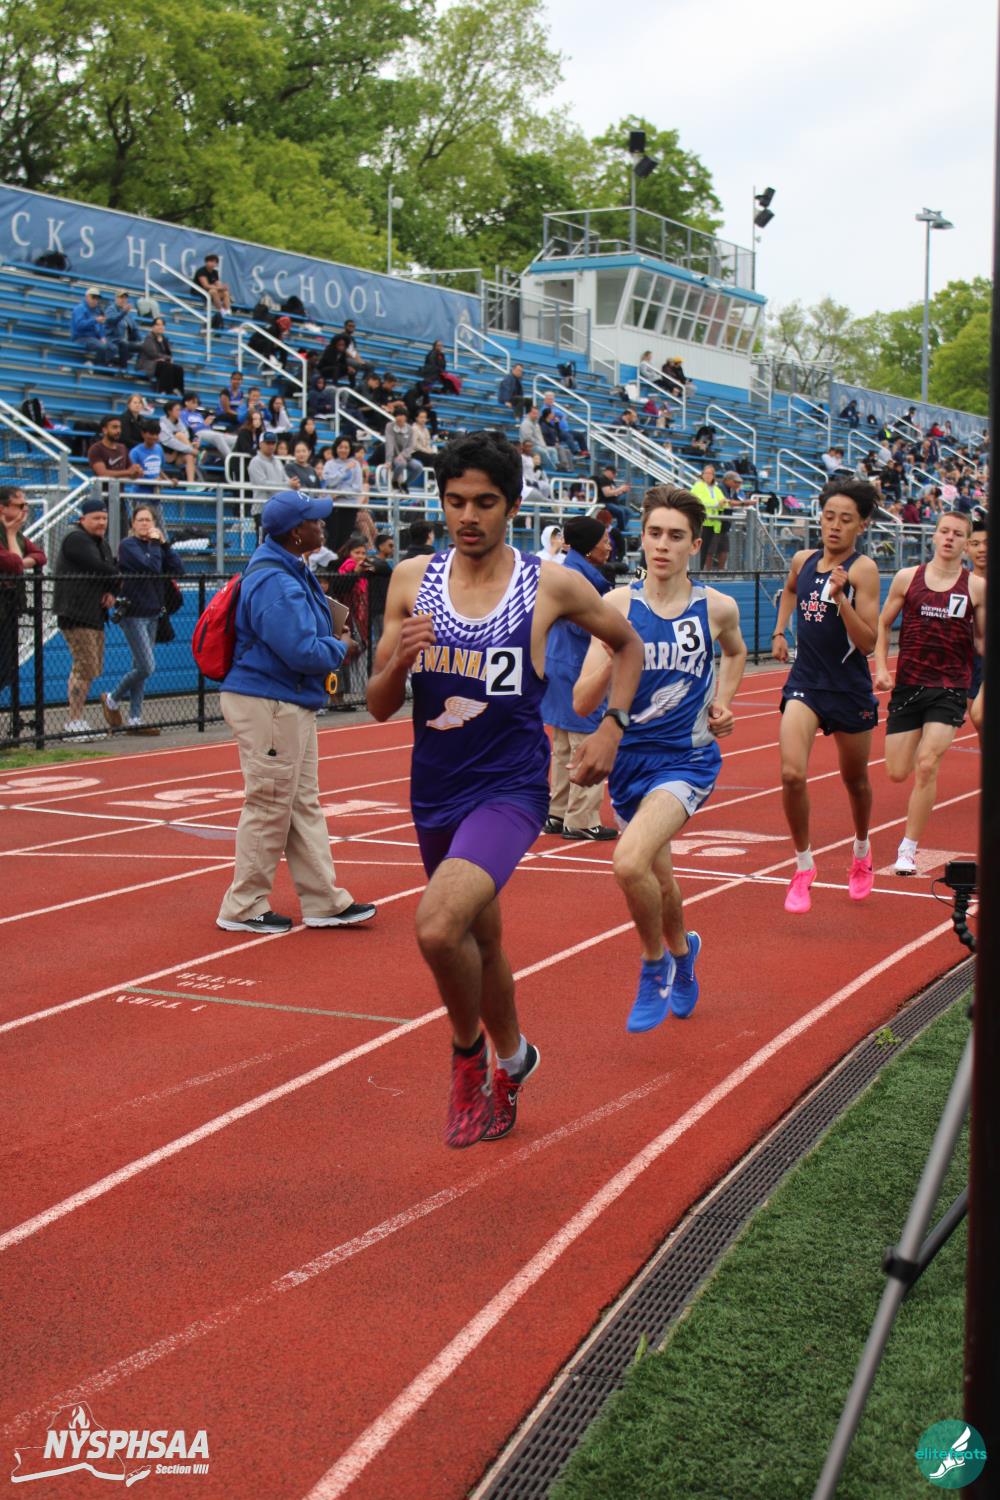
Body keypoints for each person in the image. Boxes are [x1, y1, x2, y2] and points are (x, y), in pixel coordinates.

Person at [367, 431, 642, 1147]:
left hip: (511, 788)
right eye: (455, 501)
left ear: (513, 507)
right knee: (479, 940)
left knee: (437, 926)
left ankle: (467, 1059)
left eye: (485, 502)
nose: (468, 516)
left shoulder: (549, 584)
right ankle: (515, 1058)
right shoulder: (410, 579)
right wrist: (397, 664)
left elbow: (628, 644)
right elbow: (376, 703)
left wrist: (611, 728)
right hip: (435, 789)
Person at [574, 485, 747, 1032]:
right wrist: (614, 653)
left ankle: (654, 967)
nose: (662, 545)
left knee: (628, 862)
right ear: (642, 539)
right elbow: (581, 701)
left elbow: (736, 651)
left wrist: (724, 700)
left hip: (686, 761)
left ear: (694, 545)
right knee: (660, 879)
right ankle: (683, 952)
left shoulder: (716, 607)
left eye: (675, 536)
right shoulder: (615, 607)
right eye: (654, 534)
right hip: (628, 764)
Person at [216, 490, 376, 933]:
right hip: (270, 701)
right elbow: (301, 650)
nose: (322, 526)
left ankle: (323, 900)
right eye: (314, 521)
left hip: (285, 700)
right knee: (269, 803)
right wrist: (339, 646)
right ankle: (242, 905)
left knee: (301, 803)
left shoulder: (288, 567)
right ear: (294, 532)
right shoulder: (276, 580)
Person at [770, 479, 881, 913]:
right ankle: (803, 865)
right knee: (791, 774)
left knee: (855, 780)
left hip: (848, 688)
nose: (834, 526)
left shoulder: (863, 570)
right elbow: (791, 589)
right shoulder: (803, 559)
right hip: (806, 682)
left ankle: (862, 850)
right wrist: (780, 631)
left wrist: (841, 599)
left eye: (845, 519)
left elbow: (868, 643)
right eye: (829, 516)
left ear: (862, 525)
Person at [875, 511, 985, 875]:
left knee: (927, 764)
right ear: (934, 536)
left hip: (950, 687)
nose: (950, 538)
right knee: (896, 771)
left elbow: (982, 642)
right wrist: (881, 668)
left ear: (966, 544)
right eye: (944, 531)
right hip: (909, 684)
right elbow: (883, 623)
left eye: (958, 534)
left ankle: (907, 849)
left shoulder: (976, 587)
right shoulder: (907, 578)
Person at [541, 515, 618, 842]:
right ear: (589, 547)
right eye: (604, 541)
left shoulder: (566, 571)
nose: (609, 546)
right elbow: (583, 625)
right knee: (585, 745)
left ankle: (558, 813)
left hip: (557, 662)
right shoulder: (580, 580)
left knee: (562, 747)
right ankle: (582, 819)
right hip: (577, 666)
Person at [102, 506, 184, 735]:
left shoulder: (157, 547)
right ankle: (112, 698)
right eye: (140, 520)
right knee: (147, 666)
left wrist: (165, 545)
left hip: (153, 613)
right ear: (133, 524)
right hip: (134, 613)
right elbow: (151, 567)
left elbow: (178, 569)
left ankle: (135, 718)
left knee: (139, 666)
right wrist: (156, 545)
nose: (145, 524)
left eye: (149, 520)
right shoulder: (129, 545)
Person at [52, 498, 121, 738]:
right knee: (83, 666)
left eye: (104, 518)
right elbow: (99, 567)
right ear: (83, 519)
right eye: (96, 518)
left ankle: (77, 719)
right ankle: (73, 721)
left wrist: (112, 590)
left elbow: (110, 570)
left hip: (94, 614)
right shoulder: (76, 539)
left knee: (91, 667)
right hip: (75, 612)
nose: (101, 522)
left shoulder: (102, 543)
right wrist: (117, 575)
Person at [0, 486, 46, 700]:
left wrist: (22, 561)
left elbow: (40, 555)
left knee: (7, 667)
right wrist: (10, 535)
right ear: (2, 508)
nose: (25, 510)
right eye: (19, 505)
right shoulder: (10, 533)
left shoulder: (16, 534)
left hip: (9, 607)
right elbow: (11, 562)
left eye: (26, 505)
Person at [966, 516, 987, 738]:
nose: (982, 549)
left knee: (980, 715)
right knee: (979, 723)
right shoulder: (961, 584)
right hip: (970, 662)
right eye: (975, 544)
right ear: (966, 548)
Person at [690, 463, 727, 570]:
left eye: (710, 473)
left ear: (713, 475)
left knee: (706, 550)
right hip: (702, 522)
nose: (708, 475)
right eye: (706, 473)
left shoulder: (716, 488)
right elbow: (699, 501)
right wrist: (717, 504)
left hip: (713, 524)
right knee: (700, 549)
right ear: (702, 474)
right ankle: (696, 571)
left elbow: (724, 503)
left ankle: (700, 571)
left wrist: (720, 504)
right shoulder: (697, 486)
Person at [88, 415, 144, 483]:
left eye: (120, 427)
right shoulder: (96, 449)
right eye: (114, 427)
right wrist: (128, 472)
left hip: (120, 490)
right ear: (105, 430)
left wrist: (137, 472)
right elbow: (102, 473)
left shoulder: (122, 448)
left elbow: (130, 470)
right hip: (102, 490)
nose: (118, 431)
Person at [137, 317, 185, 395]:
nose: (161, 327)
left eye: (162, 325)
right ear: (153, 327)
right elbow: (153, 354)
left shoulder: (164, 339)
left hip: (160, 364)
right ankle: (164, 391)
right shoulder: (149, 338)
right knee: (166, 365)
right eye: (158, 325)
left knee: (179, 368)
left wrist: (165, 358)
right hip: (149, 364)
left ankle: (178, 390)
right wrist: (165, 358)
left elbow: (169, 354)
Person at [70, 287, 115, 365]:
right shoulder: (80, 308)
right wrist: (95, 320)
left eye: (97, 298)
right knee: (102, 347)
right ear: (87, 297)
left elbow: (100, 327)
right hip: (81, 337)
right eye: (93, 297)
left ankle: (94, 364)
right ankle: (96, 367)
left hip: (93, 338)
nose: (95, 300)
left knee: (113, 348)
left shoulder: (97, 311)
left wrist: (102, 337)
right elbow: (79, 325)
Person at [384, 408, 424, 492]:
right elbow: (389, 443)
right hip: (394, 456)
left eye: (402, 415)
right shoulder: (389, 426)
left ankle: (405, 484)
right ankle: (394, 481)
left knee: (418, 467)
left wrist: (402, 455)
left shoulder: (410, 429)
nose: (399, 417)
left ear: (406, 417)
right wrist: (388, 460)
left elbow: (410, 446)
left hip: (406, 457)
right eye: (397, 415)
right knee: (402, 464)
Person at [103, 291, 145, 369]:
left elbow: (135, 329)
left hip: (125, 343)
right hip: (114, 340)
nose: (123, 300)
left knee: (144, 346)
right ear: (116, 298)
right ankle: (123, 368)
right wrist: (123, 312)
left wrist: (142, 341)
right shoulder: (110, 309)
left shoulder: (128, 315)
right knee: (123, 343)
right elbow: (113, 320)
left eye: (125, 298)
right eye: (121, 297)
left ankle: (138, 369)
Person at [193, 253, 232, 326]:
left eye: (215, 262)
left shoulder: (215, 272)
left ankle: (228, 310)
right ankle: (221, 310)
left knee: (225, 292)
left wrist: (223, 288)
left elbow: (217, 283)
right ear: (206, 262)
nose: (213, 264)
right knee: (213, 291)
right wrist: (219, 288)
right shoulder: (201, 271)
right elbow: (205, 286)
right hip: (199, 291)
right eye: (211, 261)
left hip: (210, 292)